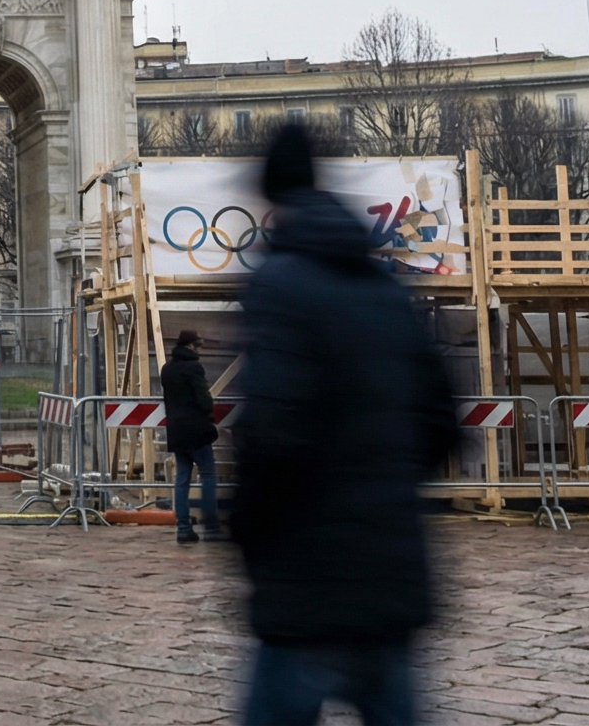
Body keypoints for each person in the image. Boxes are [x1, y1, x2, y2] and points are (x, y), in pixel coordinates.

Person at [230, 124, 459, 726]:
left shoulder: (277, 285)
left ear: (271, 198)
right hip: (391, 575)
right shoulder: (387, 285)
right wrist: (385, 491)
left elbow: (270, 434)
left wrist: (246, 533)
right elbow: (443, 421)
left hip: (305, 581)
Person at [161, 328, 221, 544]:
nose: (199, 350)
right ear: (190, 346)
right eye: (197, 346)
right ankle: (212, 526)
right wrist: (209, 417)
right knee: (207, 475)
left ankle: (183, 528)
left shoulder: (166, 369)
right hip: (196, 431)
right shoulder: (194, 368)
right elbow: (204, 400)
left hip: (176, 432)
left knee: (182, 479)